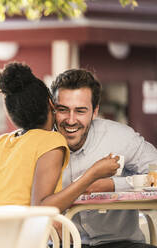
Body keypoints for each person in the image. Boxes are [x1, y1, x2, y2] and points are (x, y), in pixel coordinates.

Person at [0, 62, 119, 214]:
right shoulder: (51, 141)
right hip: (20, 234)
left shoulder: (0, 142)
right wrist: (93, 174)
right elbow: (41, 208)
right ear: (51, 104)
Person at [51, 68, 157, 248]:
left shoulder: (120, 137)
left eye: (80, 111)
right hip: (62, 243)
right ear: (53, 109)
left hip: (120, 243)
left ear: (94, 112)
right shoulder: (41, 145)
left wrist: (114, 185)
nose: (70, 120)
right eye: (63, 110)